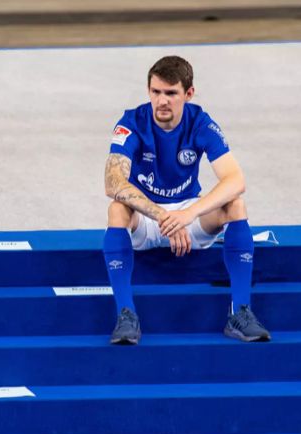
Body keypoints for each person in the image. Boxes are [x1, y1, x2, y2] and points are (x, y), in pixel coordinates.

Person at [103, 55, 271, 345]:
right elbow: (113, 181)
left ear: (188, 94)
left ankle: (240, 312)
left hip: (187, 214)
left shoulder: (201, 123)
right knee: (117, 209)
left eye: (171, 93)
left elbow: (235, 180)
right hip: (147, 215)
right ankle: (126, 315)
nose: (162, 101)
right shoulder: (131, 122)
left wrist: (188, 214)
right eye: (156, 92)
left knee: (236, 205)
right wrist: (161, 216)